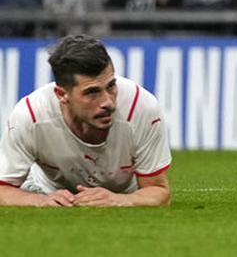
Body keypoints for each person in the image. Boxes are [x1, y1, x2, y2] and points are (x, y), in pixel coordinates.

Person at [0, 34, 171, 206]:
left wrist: (119, 200)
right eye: (92, 92)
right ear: (62, 95)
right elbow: (3, 189)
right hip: (47, 191)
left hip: (123, 193)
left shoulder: (141, 107)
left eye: (111, 86)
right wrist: (40, 200)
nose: (108, 102)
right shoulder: (30, 116)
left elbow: (159, 190)